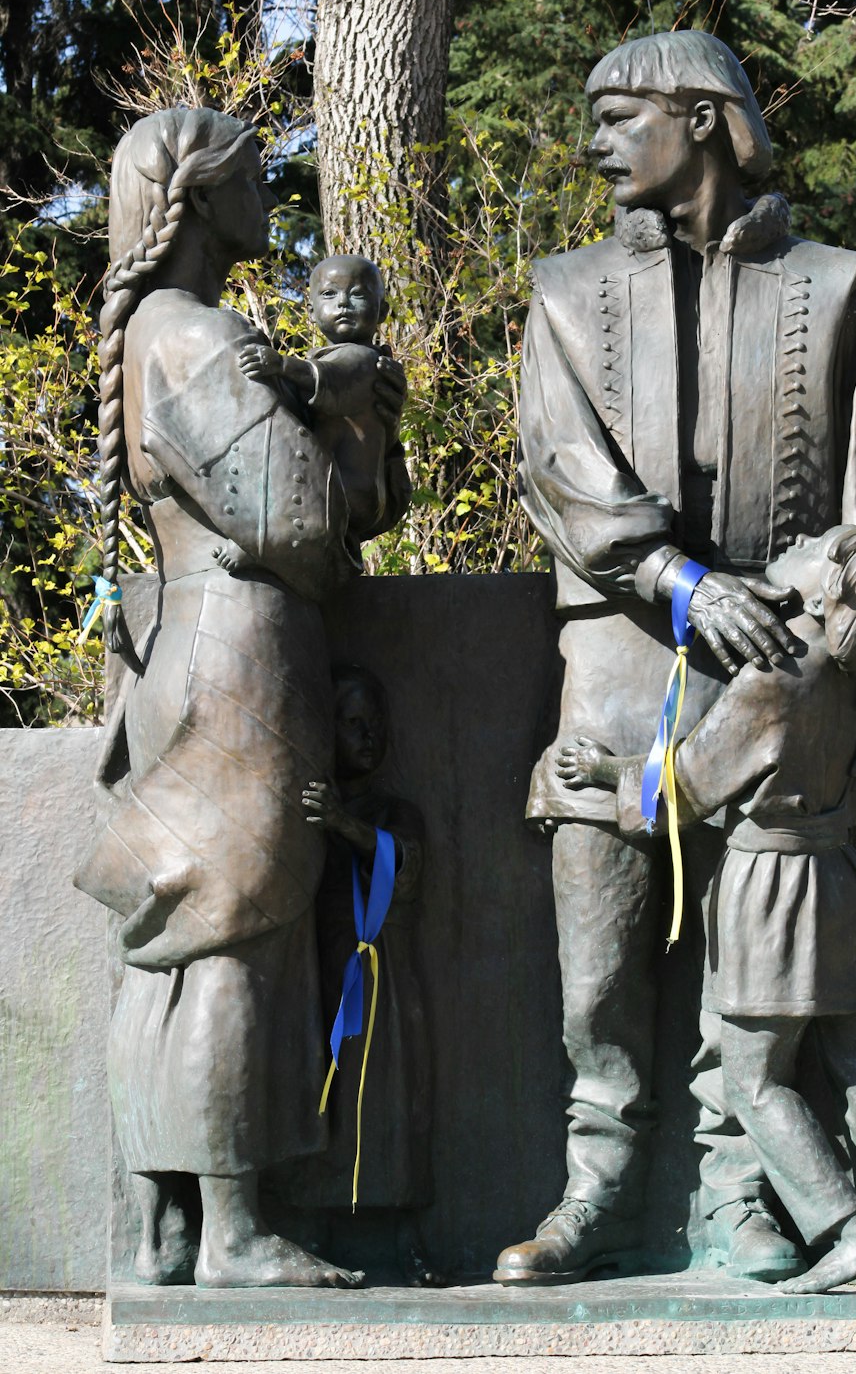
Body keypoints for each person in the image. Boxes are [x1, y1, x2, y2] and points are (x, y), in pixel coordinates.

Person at [496, 29, 856, 1287]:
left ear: (699, 119)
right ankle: (600, 1183)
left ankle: (736, 1193)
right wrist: (681, 583)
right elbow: (559, 464)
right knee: (601, 946)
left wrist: (817, 637)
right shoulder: (566, 292)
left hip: (781, 665)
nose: (594, 141)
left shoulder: (830, 286)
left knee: (753, 966)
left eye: (617, 115)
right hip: (623, 648)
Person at [75, 107, 406, 1289]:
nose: (274, 192)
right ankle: (232, 1233)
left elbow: (347, 506)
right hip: (242, 653)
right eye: (257, 177)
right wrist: (332, 404)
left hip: (205, 647)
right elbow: (306, 526)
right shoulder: (196, 337)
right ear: (201, 197)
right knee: (235, 925)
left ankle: (172, 1226)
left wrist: (346, 402)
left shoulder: (167, 334)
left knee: (191, 930)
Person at [556, 523, 856, 1293]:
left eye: (816, 544)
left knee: (754, 1079)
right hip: (840, 880)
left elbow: (685, 787)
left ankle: (850, 1235)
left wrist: (602, 769)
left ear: (824, 595)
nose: (797, 538)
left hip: (772, 888)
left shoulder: (773, 681)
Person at [298, 665, 439, 1287]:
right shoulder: (302, 810)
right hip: (319, 986)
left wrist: (346, 826)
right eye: (352, 723)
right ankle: (314, 1231)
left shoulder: (394, 812)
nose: (368, 736)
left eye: (376, 725)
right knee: (322, 1100)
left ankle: (406, 1240)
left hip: (386, 987)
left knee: (393, 1109)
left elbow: (404, 869)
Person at [216, 253, 410, 568]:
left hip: (347, 487)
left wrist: (280, 364)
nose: (343, 303)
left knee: (295, 494)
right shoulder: (332, 355)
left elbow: (330, 378)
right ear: (311, 310)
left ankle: (261, 547)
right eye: (329, 294)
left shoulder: (364, 360)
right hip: (341, 486)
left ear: (383, 312)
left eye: (358, 294)